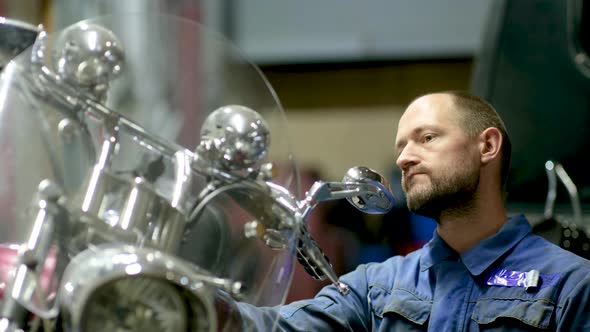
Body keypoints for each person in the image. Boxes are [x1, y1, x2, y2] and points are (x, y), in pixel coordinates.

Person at [238, 91, 590, 331]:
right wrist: (193, 299)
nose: (404, 158)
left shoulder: (570, 284)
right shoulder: (378, 286)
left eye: (427, 138)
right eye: (401, 146)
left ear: (487, 145)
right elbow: (271, 327)